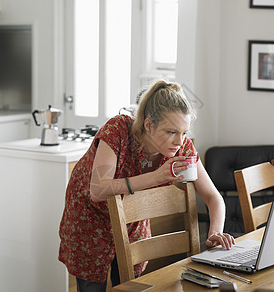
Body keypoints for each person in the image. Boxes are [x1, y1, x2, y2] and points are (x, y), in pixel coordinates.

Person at [58, 80, 235, 291]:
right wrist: (157, 177)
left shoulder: (181, 147)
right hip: (90, 219)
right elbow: (98, 190)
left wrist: (215, 232)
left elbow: (214, 198)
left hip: (132, 221)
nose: (180, 141)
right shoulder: (118, 130)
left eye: (184, 132)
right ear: (148, 125)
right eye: (171, 132)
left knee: (130, 286)